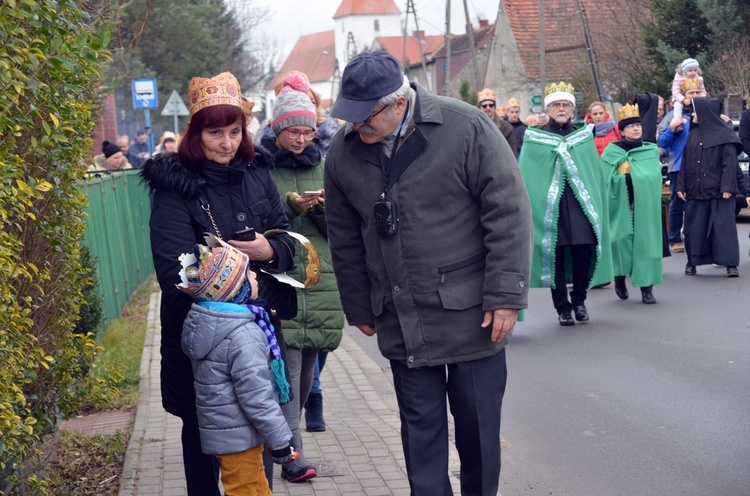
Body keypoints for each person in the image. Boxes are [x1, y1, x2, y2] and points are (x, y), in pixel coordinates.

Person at [324, 51, 532, 496]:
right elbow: (343, 237)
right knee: (420, 435)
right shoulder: (341, 154)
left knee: (477, 433)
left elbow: (509, 213)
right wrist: (358, 303)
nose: (357, 127)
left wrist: (505, 296)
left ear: (398, 103)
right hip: (400, 316)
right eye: (351, 117)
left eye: (366, 117)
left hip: (472, 315)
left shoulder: (467, 126)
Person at [140, 71, 295, 496]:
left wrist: (271, 251)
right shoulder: (174, 188)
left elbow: (285, 236)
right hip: (201, 339)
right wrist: (245, 289)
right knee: (204, 439)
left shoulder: (257, 172)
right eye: (215, 133)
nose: (226, 143)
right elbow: (177, 274)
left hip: (256, 335)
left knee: (256, 431)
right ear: (196, 133)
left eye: (234, 131)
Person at [258, 70, 345, 482]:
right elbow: (258, 224)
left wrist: (323, 209)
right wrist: (291, 205)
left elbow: (342, 228)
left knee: (309, 372)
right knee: (288, 373)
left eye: (307, 131)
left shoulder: (325, 165)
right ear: (277, 128)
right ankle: (290, 456)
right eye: (293, 130)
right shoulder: (261, 168)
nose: (300, 139)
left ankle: (284, 448)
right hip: (282, 278)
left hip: (321, 280)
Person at [177, 236, 296, 495]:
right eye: (250, 275)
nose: (256, 277)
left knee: (256, 487)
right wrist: (280, 441)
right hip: (239, 437)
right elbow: (256, 396)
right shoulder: (243, 335)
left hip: (228, 433)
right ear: (236, 290)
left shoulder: (210, 323)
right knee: (246, 489)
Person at [518, 81, 613, 326]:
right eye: (557, 105)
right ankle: (562, 307)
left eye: (566, 105)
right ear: (548, 109)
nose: (561, 109)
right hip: (552, 209)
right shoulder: (535, 138)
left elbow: (594, 174)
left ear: (572, 110)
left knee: (583, 252)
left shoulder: (583, 137)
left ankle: (579, 301)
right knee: (555, 256)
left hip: (580, 204)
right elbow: (529, 175)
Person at [601, 103, 663, 303]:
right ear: (622, 130)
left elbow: (654, 179)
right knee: (620, 241)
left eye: (638, 125)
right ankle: (619, 278)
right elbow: (603, 179)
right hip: (620, 203)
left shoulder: (649, 150)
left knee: (646, 244)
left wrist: (635, 176)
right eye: (630, 126)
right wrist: (622, 179)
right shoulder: (612, 152)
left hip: (644, 205)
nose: (636, 128)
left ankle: (647, 289)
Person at [677, 98, 743, 277]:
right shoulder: (692, 134)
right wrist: (681, 185)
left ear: (706, 113)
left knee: (724, 229)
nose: (692, 115)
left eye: (696, 111)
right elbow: (685, 162)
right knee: (694, 228)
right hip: (695, 189)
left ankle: (730, 264)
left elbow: (729, 164)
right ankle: (692, 262)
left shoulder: (725, 135)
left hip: (720, 191)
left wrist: (728, 187)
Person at [658, 79, 704, 253]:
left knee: (700, 202)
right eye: (690, 93)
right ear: (683, 96)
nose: (694, 96)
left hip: (702, 165)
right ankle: (675, 237)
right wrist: (671, 129)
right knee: (678, 202)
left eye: (697, 92)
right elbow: (662, 143)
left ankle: (696, 237)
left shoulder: (705, 112)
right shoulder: (673, 115)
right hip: (678, 165)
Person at [477, 87, 518, 155]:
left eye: (491, 105)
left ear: (494, 107)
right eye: (484, 106)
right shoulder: (474, 126)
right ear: (480, 108)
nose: (488, 108)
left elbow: (512, 151)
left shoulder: (506, 127)